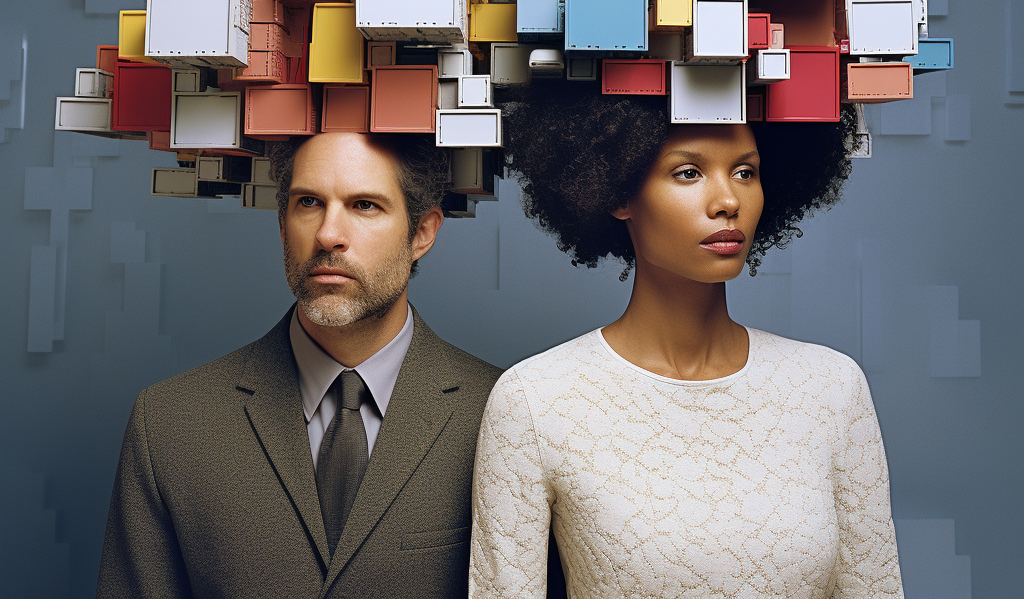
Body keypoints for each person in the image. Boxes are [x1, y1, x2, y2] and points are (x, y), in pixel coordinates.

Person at [469, 81, 904, 598]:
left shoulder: (831, 390)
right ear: (617, 192)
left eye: (745, 172)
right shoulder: (537, 401)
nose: (727, 201)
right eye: (689, 172)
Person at [97, 131, 502, 599]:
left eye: (364, 205)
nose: (329, 234)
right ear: (283, 222)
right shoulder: (168, 422)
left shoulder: (503, 414)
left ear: (423, 233)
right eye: (308, 202)